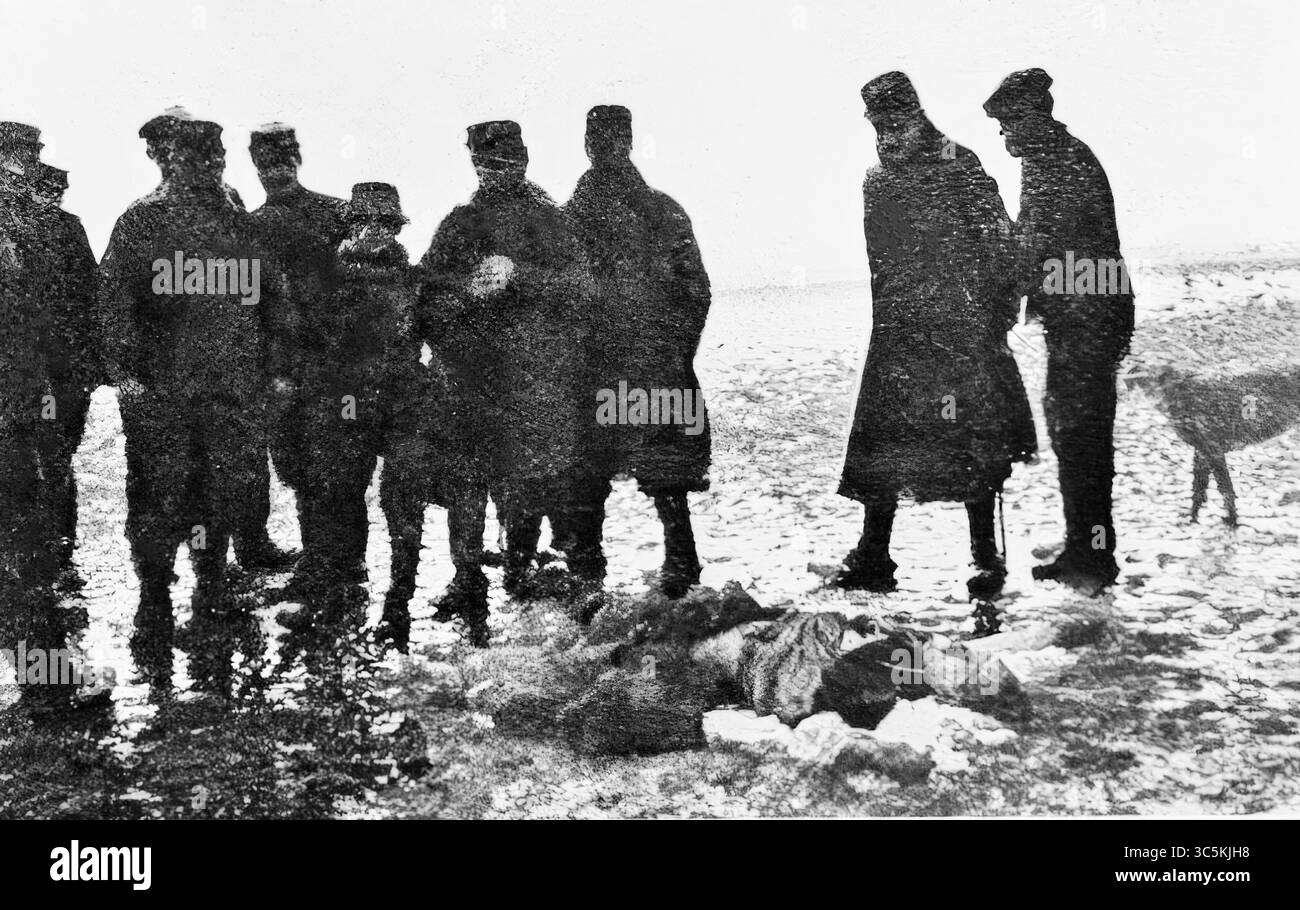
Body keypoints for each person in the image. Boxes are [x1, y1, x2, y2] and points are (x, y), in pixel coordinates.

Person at [99, 108, 288, 676]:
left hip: (230, 390)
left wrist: (277, 369)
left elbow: (274, 299)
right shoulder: (142, 221)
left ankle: (210, 590)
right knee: (159, 497)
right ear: (163, 159)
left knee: (221, 492)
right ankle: (154, 599)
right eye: (192, 156)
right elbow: (114, 306)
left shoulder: (237, 221)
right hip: (165, 394)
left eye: (213, 155)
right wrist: (127, 376)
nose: (208, 165)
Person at [837, 72, 1036, 596]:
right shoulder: (879, 179)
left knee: (971, 442)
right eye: (877, 124)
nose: (884, 133)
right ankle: (874, 553)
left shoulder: (958, 164)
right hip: (902, 333)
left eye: (890, 122)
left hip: (960, 332)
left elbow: (1000, 244)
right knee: (888, 444)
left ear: (912, 114)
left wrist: (996, 316)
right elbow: (882, 266)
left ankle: (985, 557)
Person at [416, 120, 594, 644]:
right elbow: (428, 299)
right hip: (471, 379)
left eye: (510, 158)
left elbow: (583, 289)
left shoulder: (552, 221)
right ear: (475, 164)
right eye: (490, 161)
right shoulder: (459, 224)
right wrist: (469, 293)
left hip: (534, 378)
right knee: (468, 485)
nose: (501, 168)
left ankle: (520, 568)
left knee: (530, 481)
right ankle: (468, 580)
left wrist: (520, 277)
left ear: (526, 158)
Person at [984, 68, 1135, 594]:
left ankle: (1091, 557)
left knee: (1081, 438)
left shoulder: (1056, 163)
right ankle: (1086, 547)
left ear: (1031, 117)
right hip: (1088, 315)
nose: (1004, 134)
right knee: (1079, 438)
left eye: (1007, 123)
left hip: (1087, 319)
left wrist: (994, 235)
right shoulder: (1060, 156)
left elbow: (1037, 245)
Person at [561, 104, 713, 599]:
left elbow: (695, 290)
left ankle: (592, 585)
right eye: (604, 140)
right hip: (643, 368)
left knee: (599, 480)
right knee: (652, 482)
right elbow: (697, 292)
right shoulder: (661, 209)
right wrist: (674, 354)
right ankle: (668, 577)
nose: (607, 148)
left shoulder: (573, 218)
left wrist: (669, 353)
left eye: (610, 140)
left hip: (611, 370)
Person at [287, 182, 425, 633]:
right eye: (368, 221)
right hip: (344, 399)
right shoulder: (324, 278)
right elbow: (302, 338)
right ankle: (341, 579)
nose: (377, 230)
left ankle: (400, 596)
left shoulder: (411, 277)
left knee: (402, 497)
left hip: (397, 398)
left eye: (387, 223)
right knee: (339, 489)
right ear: (351, 224)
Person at [246, 122, 347, 589]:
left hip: (333, 363)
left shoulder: (337, 215)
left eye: (283, 160)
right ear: (255, 166)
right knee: (296, 465)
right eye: (267, 162)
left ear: (298, 159)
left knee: (335, 465)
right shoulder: (249, 228)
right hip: (279, 368)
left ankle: (334, 560)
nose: (276, 170)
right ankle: (322, 557)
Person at [29, 162, 102, 594]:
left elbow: (91, 295)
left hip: (60, 375)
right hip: (49, 373)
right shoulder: (56, 229)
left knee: (54, 458)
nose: (54, 197)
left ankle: (58, 550)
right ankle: (54, 550)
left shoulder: (63, 228)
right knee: (51, 459)